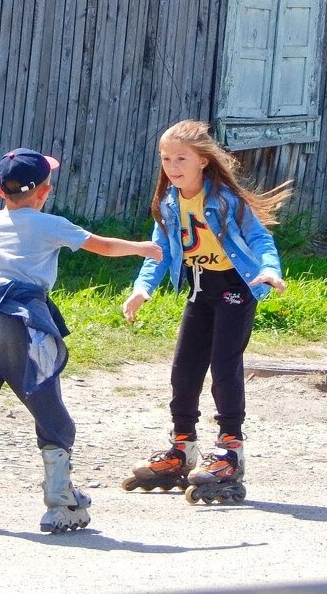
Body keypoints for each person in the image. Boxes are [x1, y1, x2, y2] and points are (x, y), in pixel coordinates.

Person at [0, 148, 162, 532]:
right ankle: (61, 502)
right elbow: (102, 246)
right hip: (25, 324)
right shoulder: (50, 224)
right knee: (47, 404)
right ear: (45, 191)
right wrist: (142, 248)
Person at [121, 120, 291, 503]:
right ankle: (183, 449)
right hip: (200, 289)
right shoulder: (169, 202)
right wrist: (142, 288)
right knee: (184, 370)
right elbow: (158, 251)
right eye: (166, 158)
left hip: (235, 287)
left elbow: (261, 239)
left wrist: (269, 270)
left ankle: (230, 452)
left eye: (181, 158)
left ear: (202, 161)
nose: (172, 166)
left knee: (223, 366)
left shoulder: (226, 200)